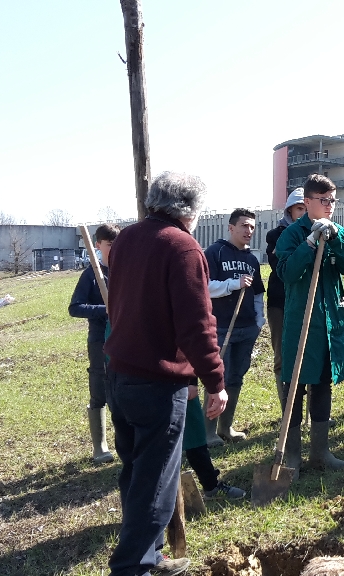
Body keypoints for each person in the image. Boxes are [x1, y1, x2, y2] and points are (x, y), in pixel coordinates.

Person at [104, 172, 227, 576]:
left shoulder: (126, 239)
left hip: (120, 374)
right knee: (155, 481)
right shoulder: (183, 247)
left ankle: (152, 553)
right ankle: (133, 567)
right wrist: (215, 381)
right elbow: (196, 323)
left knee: (137, 471)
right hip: (157, 382)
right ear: (191, 211)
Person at [274, 174, 344, 476]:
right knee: (295, 385)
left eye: (333, 200)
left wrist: (335, 238)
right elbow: (286, 273)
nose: (329, 206)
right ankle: (293, 455)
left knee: (323, 382)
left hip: (329, 319)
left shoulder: (337, 231)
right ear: (307, 202)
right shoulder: (292, 235)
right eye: (323, 200)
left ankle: (320, 452)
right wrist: (310, 243)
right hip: (301, 320)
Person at [203, 208, 265, 447]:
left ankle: (226, 428)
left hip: (247, 327)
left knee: (236, 378)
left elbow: (258, 293)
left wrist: (259, 321)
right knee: (217, 379)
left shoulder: (252, 259)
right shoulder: (215, 252)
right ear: (231, 228)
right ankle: (207, 433)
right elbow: (205, 286)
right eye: (244, 226)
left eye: (252, 226)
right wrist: (232, 284)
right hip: (221, 327)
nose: (248, 231)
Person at [68, 223, 119, 465]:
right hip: (100, 339)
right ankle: (100, 446)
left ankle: (125, 439)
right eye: (110, 245)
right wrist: (104, 309)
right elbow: (75, 307)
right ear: (98, 245)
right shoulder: (91, 274)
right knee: (100, 387)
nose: (115, 249)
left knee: (123, 388)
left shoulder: (127, 271)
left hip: (125, 339)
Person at [266, 189, 307, 406]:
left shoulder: (316, 233)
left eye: (306, 208)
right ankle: (287, 407)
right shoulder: (275, 235)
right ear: (290, 210)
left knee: (309, 354)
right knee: (282, 356)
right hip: (280, 302)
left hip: (305, 301)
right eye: (300, 208)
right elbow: (282, 269)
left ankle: (312, 409)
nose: (303, 213)